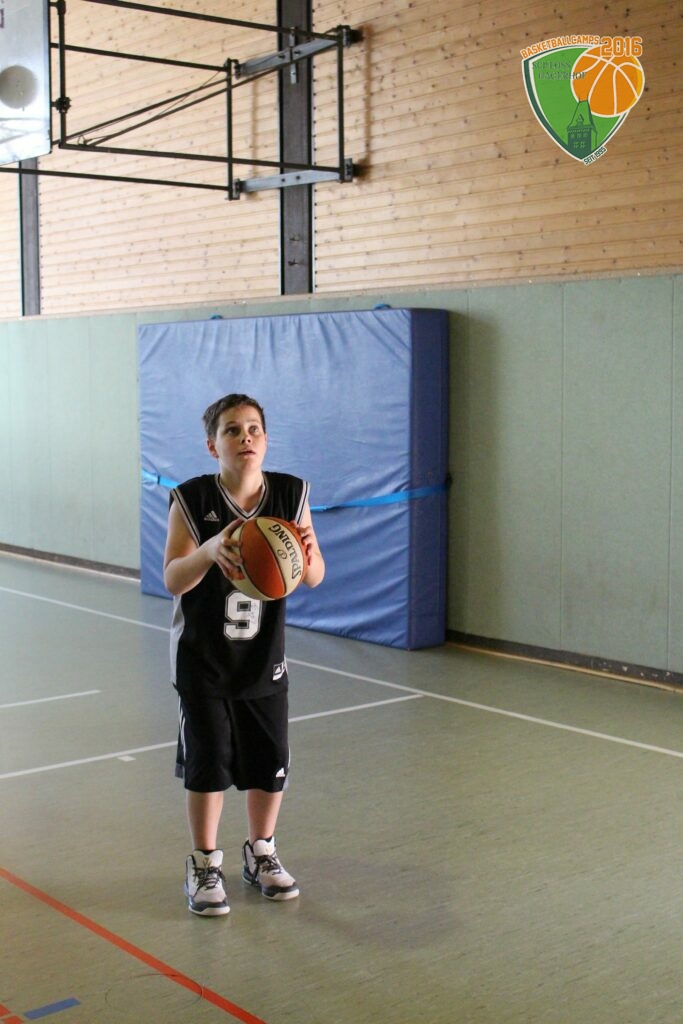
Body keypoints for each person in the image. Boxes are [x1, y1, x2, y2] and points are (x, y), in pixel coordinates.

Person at [163, 393, 325, 916]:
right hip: (203, 657)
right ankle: (204, 862)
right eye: (232, 430)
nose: (246, 437)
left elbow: (316, 575)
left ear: (266, 439)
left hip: (262, 657)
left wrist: (303, 554)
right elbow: (172, 578)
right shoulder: (191, 499)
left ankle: (261, 852)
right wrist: (210, 551)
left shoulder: (291, 494)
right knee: (208, 762)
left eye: (254, 428)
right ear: (213, 446)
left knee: (269, 760)